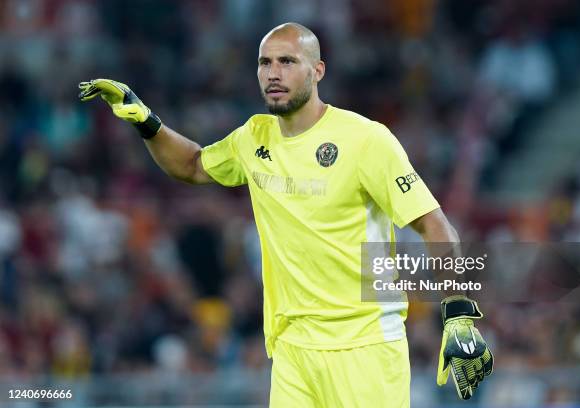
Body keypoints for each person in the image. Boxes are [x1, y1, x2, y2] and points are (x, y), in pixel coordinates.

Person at [79, 22, 492, 408]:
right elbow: (192, 165)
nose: (273, 73)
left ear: (317, 70)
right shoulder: (253, 136)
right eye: (265, 62)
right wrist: (147, 123)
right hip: (292, 350)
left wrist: (458, 315)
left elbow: (435, 225)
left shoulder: (366, 140)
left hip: (365, 347)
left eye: (287, 62)